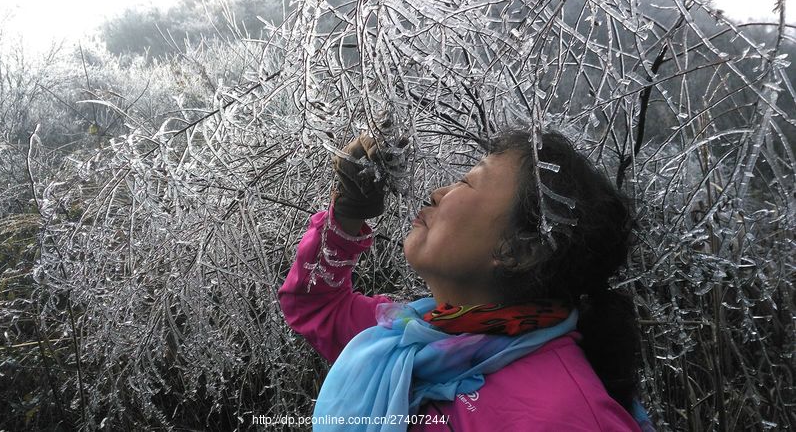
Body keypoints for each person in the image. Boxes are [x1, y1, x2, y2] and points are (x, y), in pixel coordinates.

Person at [279, 128, 655, 431]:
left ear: (518, 251)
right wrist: (345, 215)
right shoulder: (416, 335)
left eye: (466, 183)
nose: (436, 193)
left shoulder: (565, 418)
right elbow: (317, 305)